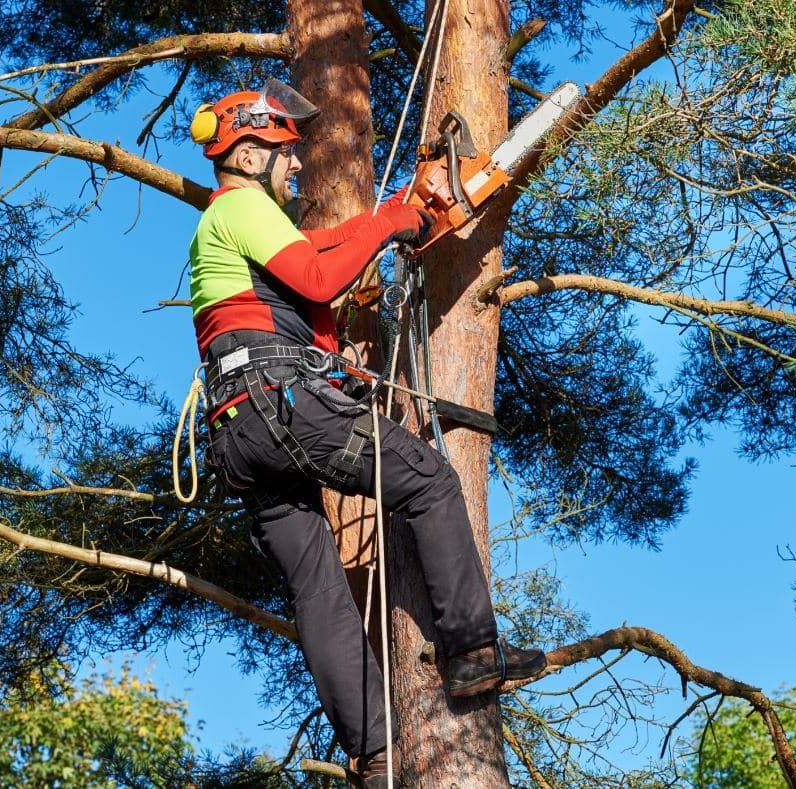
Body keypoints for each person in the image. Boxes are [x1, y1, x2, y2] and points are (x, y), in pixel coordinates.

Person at [187, 81, 546, 787]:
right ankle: (471, 651)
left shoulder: (236, 231)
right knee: (429, 481)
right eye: (286, 154)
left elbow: (317, 255)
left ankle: (375, 753)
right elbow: (319, 276)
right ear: (251, 153)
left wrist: (400, 216)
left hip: (239, 433)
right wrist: (388, 220)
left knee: (317, 587)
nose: (296, 167)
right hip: (277, 404)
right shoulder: (242, 209)